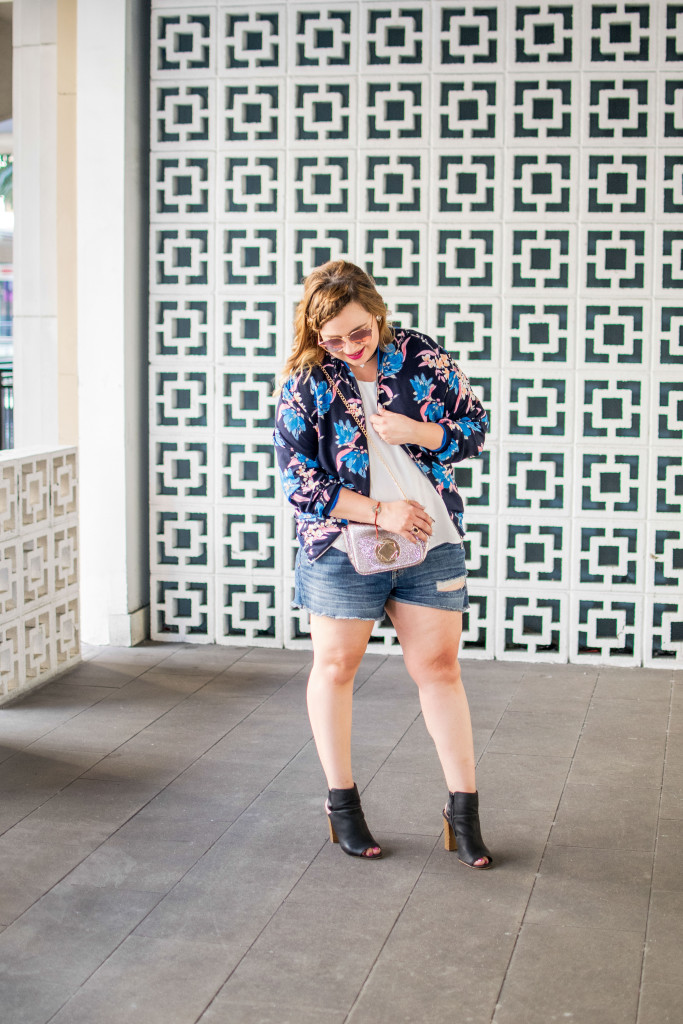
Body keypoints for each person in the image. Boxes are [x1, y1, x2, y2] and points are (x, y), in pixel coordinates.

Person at [274, 260, 493, 868]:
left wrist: (417, 430)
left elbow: (475, 429)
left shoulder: (421, 356)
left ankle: (464, 812)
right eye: (332, 338)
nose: (347, 347)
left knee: (440, 670)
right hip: (342, 546)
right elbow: (300, 482)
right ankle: (342, 807)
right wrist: (379, 512)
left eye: (358, 333)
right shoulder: (307, 380)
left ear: (377, 312)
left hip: (432, 540)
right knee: (337, 667)